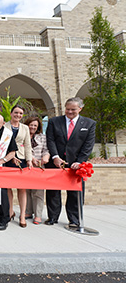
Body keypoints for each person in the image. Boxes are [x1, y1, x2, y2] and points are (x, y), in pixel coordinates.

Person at [45, 97, 96, 227]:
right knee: (53, 192)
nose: (69, 112)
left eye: (73, 109)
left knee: (75, 193)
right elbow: (50, 140)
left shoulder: (89, 124)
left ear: (80, 108)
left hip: (76, 165)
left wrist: (80, 161)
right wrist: (55, 156)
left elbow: (88, 145)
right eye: (67, 109)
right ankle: (52, 217)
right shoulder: (54, 121)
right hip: (56, 162)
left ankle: (74, 219)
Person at [4, 105, 33, 228]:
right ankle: (10, 211)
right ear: (11, 113)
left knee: (22, 188)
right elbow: (2, 144)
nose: (18, 115)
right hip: (7, 159)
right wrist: (10, 156)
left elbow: (27, 145)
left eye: (21, 113)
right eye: (16, 112)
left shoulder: (25, 128)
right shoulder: (4, 126)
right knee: (8, 188)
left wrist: (29, 160)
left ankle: (22, 215)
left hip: (21, 159)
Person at [24, 116, 50, 225]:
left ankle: (38, 214)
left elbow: (46, 150)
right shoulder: (23, 136)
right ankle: (28, 212)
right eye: (31, 125)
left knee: (38, 192)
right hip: (26, 165)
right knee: (26, 191)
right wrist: (31, 158)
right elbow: (20, 149)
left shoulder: (42, 137)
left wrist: (46, 157)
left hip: (39, 166)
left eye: (35, 125)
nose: (33, 127)